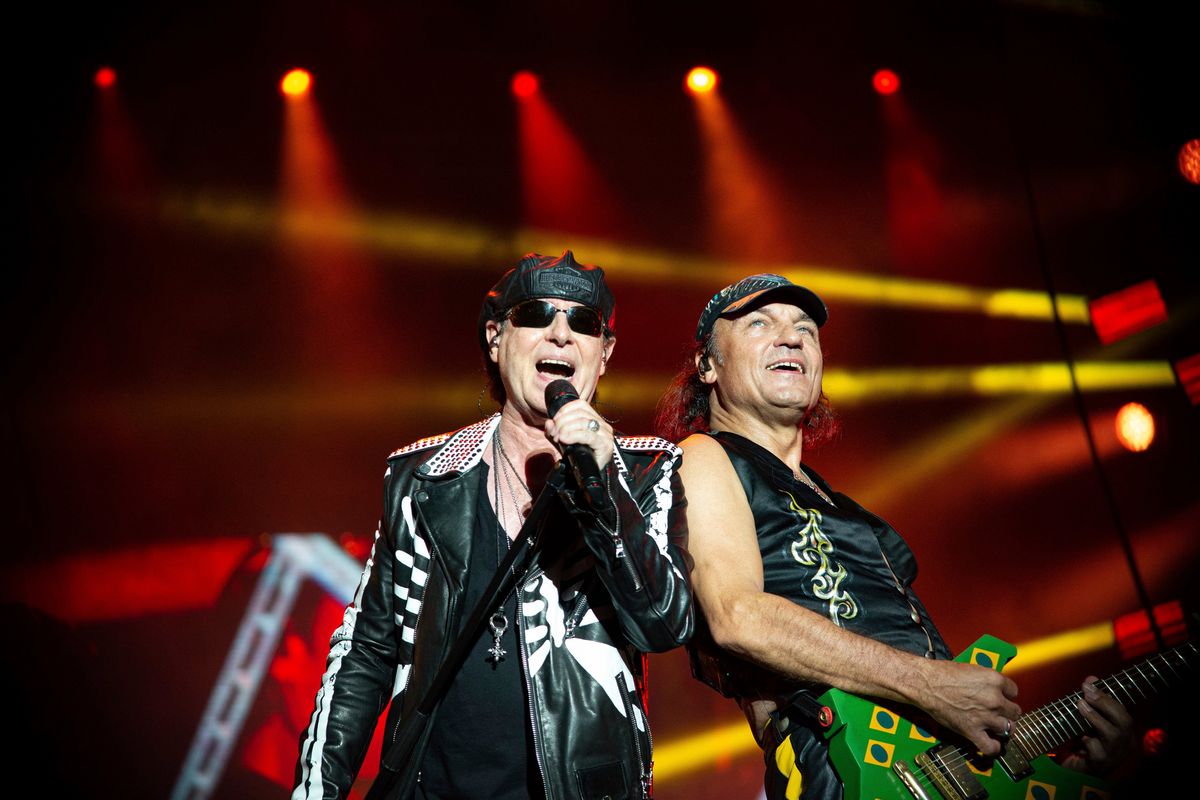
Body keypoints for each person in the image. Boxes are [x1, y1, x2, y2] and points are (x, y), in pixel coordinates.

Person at [655, 274, 1132, 799]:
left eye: (806, 329)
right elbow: (737, 617)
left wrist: (1059, 767)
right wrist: (928, 683)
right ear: (707, 365)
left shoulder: (843, 508)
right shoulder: (706, 457)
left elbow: (937, 709)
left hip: (925, 770)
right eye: (758, 323)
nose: (790, 337)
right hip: (839, 765)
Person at [293, 251, 693, 800]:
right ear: (495, 338)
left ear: (604, 355)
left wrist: (603, 490)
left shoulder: (646, 474)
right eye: (536, 314)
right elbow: (366, 651)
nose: (560, 334)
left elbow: (662, 623)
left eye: (583, 322)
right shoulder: (424, 479)